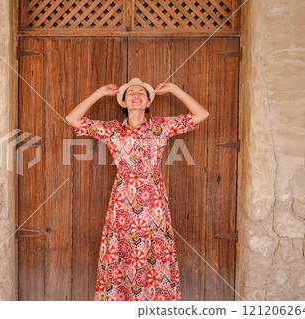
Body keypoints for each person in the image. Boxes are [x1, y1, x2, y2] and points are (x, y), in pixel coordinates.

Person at [65, 78, 209, 301]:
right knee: (122, 250)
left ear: (148, 101)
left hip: (153, 202)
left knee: (154, 250)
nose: (136, 95)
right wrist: (100, 92)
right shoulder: (112, 130)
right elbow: (72, 119)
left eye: (142, 93)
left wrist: (174, 89)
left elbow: (201, 115)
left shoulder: (160, 127)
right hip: (123, 201)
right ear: (123, 103)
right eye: (130, 93)